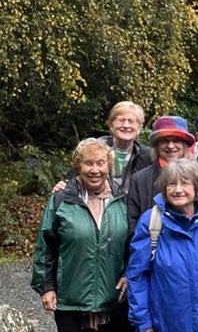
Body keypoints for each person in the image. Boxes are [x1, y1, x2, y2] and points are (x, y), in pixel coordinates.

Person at [126, 159, 198, 332]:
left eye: (185, 184)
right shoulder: (151, 222)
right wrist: (143, 322)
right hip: (167, 323)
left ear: (197, 187)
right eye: (171, 184)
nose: (178, 190)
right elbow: (137, 276)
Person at [32, 138, 130, 332]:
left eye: (100, 163)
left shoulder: (122, 200)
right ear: (78, 166)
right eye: (88, 163)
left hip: (114, 300)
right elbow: (45, 246)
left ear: (108, 166)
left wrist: (129, 274)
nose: (95, 170)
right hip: (71, 302)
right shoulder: (62, 200)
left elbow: (132, 244)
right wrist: (47, 287)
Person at [126, 116, 198, 239]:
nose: (171, 146)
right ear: (157, 145)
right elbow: (133, 226)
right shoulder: (139, 180)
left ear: (185, 145)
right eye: (165, 140)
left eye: (176, 140)